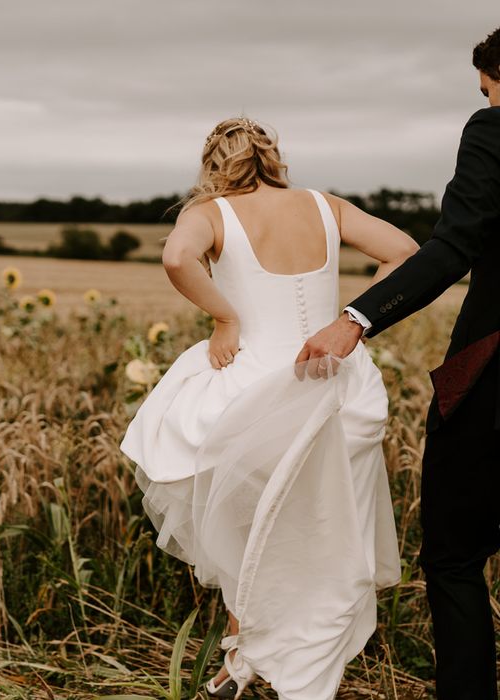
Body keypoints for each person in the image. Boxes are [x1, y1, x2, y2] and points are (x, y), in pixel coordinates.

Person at [119, 116, 418, 699]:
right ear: (271, 155)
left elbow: (179, 258)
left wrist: (225, 317)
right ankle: (268, 662)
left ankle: (254, 659)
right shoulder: (325, 205)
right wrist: (347, 322)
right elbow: (404, 251)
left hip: (253, 384)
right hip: (334, 384)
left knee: (249, 526)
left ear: (212, 163)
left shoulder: (208, 213)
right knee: (321, 529)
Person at [296, 27, 500, 700]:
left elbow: (453, 246)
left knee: (454, 557)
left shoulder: (493, 129)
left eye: (487, 88)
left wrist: (356, 318)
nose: (486, 100)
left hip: (494, 379)